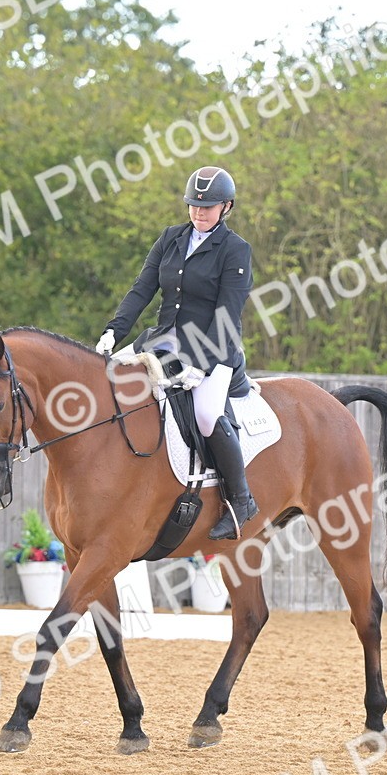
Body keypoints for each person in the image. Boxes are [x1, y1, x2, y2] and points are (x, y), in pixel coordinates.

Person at [96, 166, 258, 540]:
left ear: (226, 207)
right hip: (164, 340)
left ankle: (241, 498)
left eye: (208, 207)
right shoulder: (170, 239)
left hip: (213, 348)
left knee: (205, 414)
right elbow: (142, 290)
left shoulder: (235, 250)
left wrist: (200, 368)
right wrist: (112, 332)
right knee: (108, 381)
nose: (199, 213)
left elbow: (228, 315)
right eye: (193, 206)